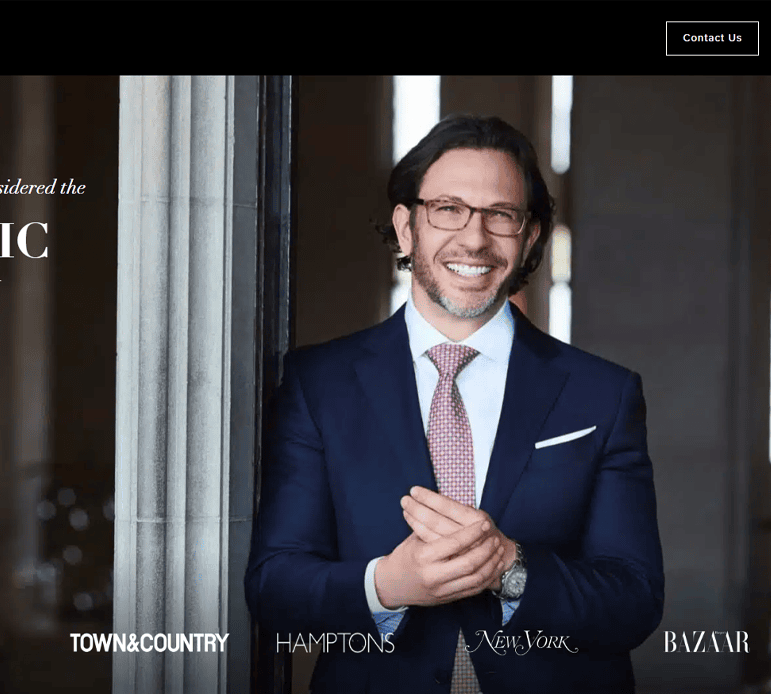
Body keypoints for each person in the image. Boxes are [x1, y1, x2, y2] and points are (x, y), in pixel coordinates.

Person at [245, 114, 664, 693]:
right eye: (448, 208)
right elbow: (273, 587)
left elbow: (636, 601)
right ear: (406, 226)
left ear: (531, 236)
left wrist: (510, 568)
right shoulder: (319, 383)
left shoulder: (605, 393)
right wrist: (388, 585)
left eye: (501, 215)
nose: (474, 238)